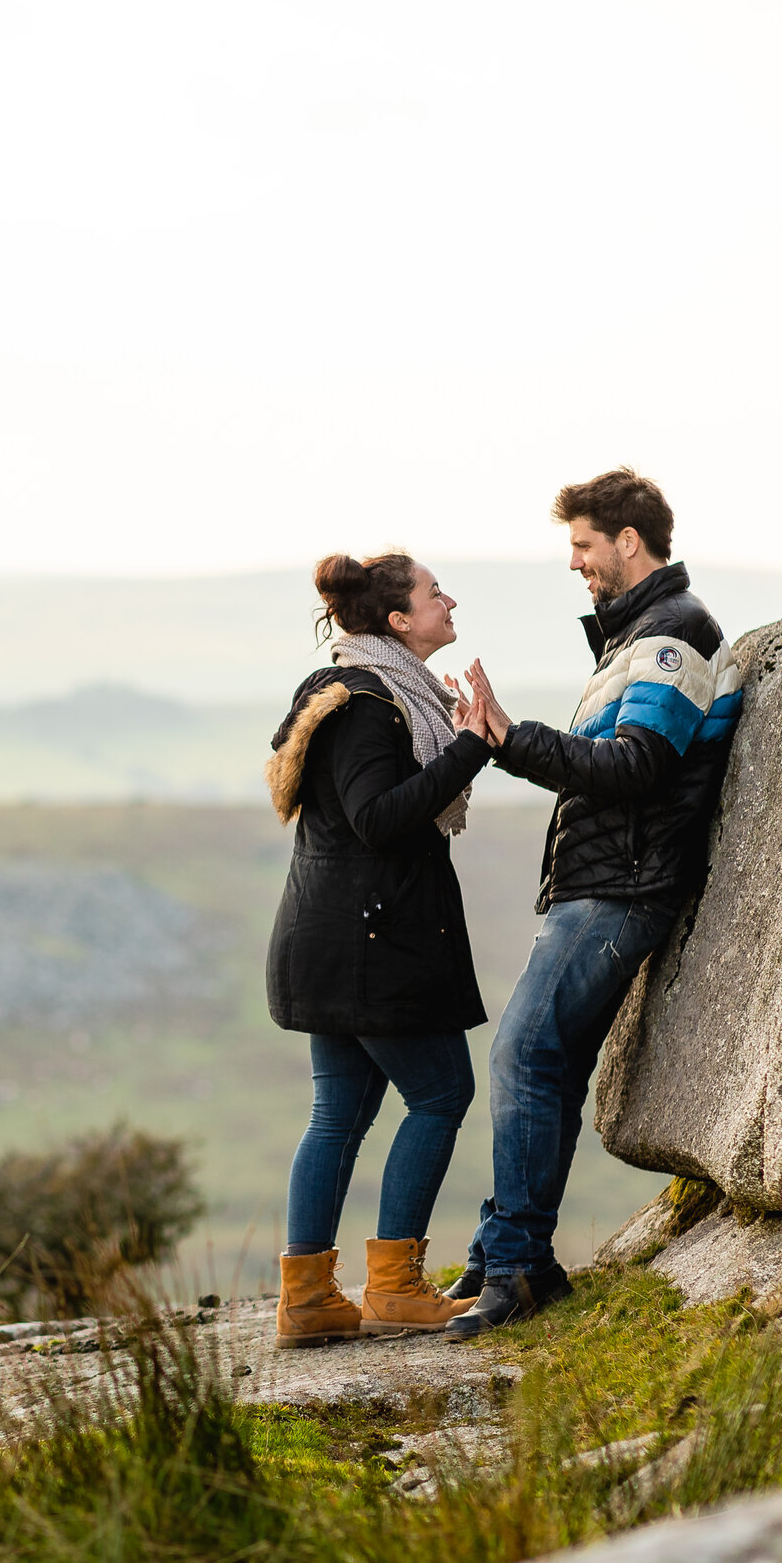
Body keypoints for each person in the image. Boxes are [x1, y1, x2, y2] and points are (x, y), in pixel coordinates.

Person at [442, 469, 743, 1340]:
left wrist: (508, 738)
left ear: (629, 540)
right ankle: (517, 1256)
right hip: (598, 884)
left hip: (621, 888)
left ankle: (515, 1267)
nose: (575, 563)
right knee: (549, 1067)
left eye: (582, 545)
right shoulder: (633, 644)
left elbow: (637, 765)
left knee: (521, 1053)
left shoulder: (673, 635)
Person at [263, 551, 500, 1347]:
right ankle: (394, 1285)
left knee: (339, 1112)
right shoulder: (371, 704)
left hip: (330, 936)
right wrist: (471, 745)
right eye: (436, 594)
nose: (449, 600)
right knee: (440, 1095)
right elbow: (377, 816)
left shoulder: (360, 688)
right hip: (373, 944)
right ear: (398, 621)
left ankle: (308, 1299)